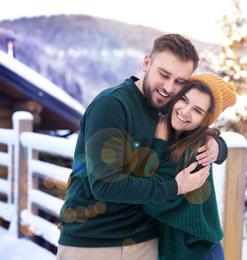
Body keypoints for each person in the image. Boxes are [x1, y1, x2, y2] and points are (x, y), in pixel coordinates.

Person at [56, 34, 229, 260]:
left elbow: (197, 130)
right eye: (164, 74)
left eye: (179, 82)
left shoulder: (171, 108)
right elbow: (105, 185)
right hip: (96, 241)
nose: (168, 87)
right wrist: (173, 187)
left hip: (146, 241)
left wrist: (217, 146)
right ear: (147, 63)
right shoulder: (112, 105)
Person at [142, 73, 237, 260]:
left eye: (197, 110)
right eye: (184, 100)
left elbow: (149, 199)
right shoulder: (175, 135)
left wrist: (159, 142)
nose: (185, 111)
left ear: (205, 121)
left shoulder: (193, 150)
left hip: (198, 253)